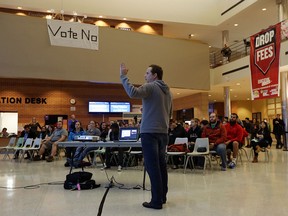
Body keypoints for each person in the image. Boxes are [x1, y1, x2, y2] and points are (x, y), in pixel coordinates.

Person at [120, 63, 172, 210]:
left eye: (147, 73)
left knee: (152, 167)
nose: (145, 75)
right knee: (161, 166)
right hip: (163, 133)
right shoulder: (168, 91)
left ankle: (156, 201)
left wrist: (123, 76)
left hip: (149, 132)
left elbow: (132, 92)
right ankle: (162, 197)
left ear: (155, 75)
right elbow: (169, 113)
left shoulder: (151, 86)